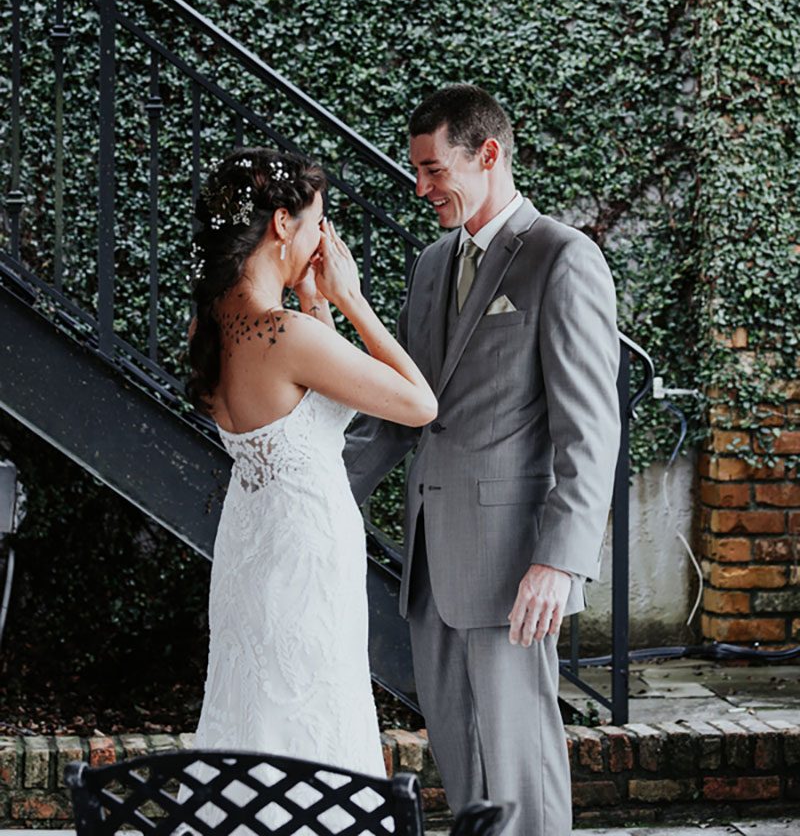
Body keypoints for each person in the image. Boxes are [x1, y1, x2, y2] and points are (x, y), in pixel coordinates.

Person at [343, 84, 621, 836]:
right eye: (417, 170)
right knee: (461, 763)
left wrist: (559, 562)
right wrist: (317, 490)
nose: (421, 187)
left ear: (488, 153)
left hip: (514, 564)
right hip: (431, 562)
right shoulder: (432, 264)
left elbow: (590, 430)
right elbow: (401, 412)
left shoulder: (562, 258)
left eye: (434, 169)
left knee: (519, 761)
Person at [183, 146, 437, 780]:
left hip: (250, 544)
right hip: (305, 550)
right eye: (317, 221)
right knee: (313, 700)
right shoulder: (286, 335)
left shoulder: (209, 328)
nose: (324, 237)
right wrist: (350, 299)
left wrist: (308, 297)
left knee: (258, 702)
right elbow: (419, 404)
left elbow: (314, 394)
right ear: (281, 224)